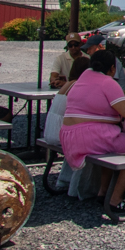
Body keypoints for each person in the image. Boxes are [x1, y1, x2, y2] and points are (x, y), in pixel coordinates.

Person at [59, 50, 125, 213]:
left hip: (70, 134)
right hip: (90, 134)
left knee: (111, 151)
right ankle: (115, 199)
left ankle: (103, 192)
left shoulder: (83, 79)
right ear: (113, 69)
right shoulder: (107, 82)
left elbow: (98, 104)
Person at [44, 55, 91, 191]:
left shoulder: (68, 84)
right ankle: (78, 187)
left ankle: (64, 180)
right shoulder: (79, 86)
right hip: (59, 133)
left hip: (51, 128)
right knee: (90, 143)